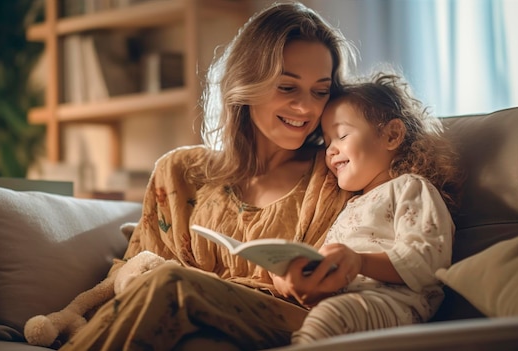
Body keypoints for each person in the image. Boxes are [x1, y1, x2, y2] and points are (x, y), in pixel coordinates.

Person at [59, 2, 357, 350]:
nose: (306, 107)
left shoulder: (339, 172)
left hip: (291, 324)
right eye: (287, 87)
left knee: (173, 283)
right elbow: (131, 280)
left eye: (320, 91)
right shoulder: (179, 175)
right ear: (246, 81)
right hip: (190, 331)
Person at [278, 71, 463, 344]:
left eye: (341, 136)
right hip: (343, 304)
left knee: (329, 318)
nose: (329, 151)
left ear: (392, 135)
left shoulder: (410, 187)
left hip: (393, 305)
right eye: (327, 142)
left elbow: (426, 260)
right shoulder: (350, 204)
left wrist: (360, 261)